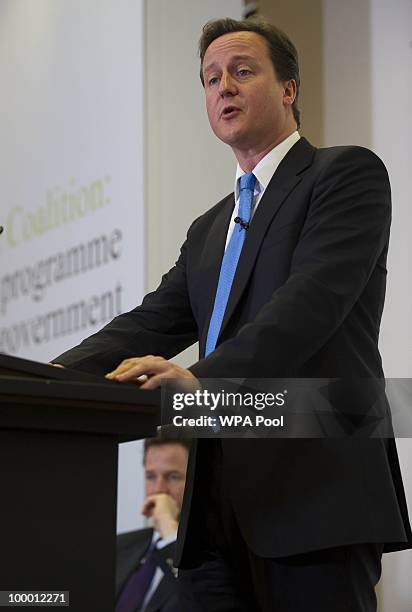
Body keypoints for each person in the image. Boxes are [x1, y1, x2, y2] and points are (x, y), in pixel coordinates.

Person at [53, 17, 411, 612]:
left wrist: (202, 380)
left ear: (289, 88)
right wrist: (52, 375)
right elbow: (149, 323)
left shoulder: (344, 175)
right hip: (214, 514)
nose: (224, 87)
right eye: (211, 78)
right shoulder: (209, 228)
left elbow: (309, 306)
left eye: (242, 72)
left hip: (312, 497)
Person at [116, 435, 190, 612]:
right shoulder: (119, 545)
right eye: (150, 476)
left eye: (173, 477)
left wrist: (169, 529)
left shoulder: (211, 557)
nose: (158, 489)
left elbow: (198, 597)